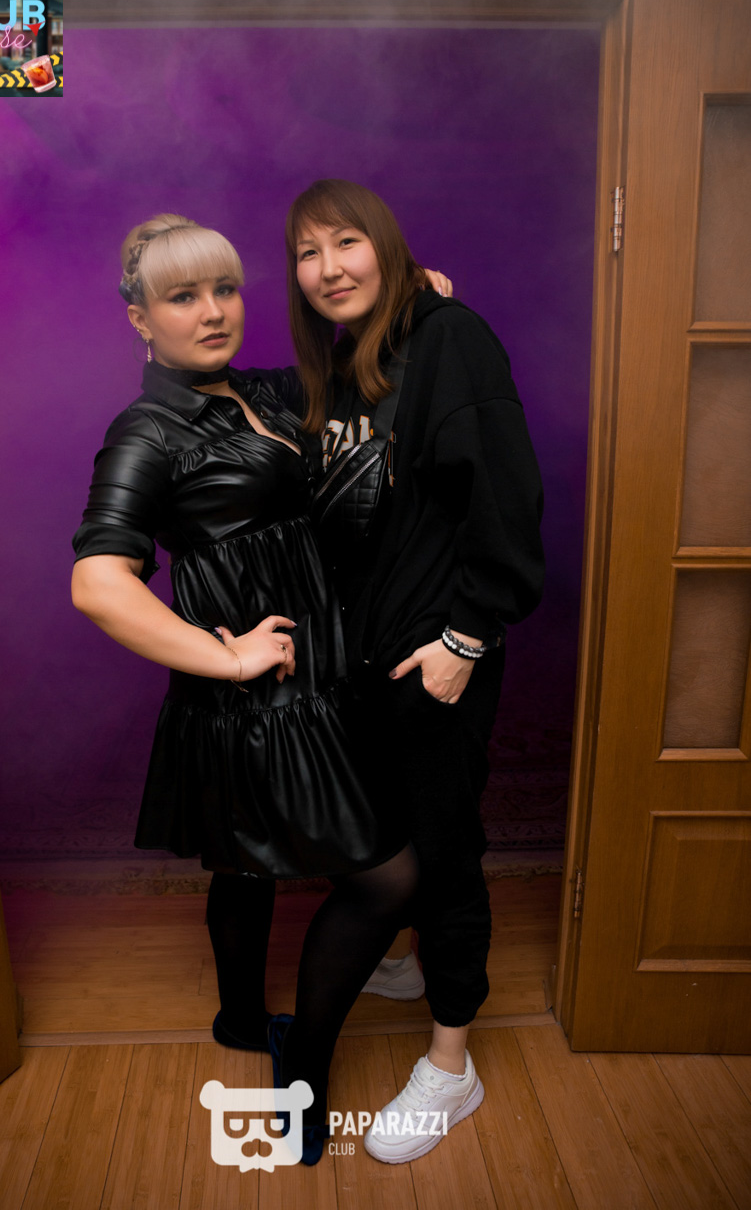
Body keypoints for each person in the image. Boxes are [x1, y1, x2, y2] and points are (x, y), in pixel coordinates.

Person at [70, 214, 419, 1166]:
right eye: (183, 297)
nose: (213, 311)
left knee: (243, 861)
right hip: (260, 697)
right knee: (386, 879)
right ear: (139, 318)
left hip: (316, 670)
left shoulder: (261, 387)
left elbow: (359, 369)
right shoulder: (145, 431)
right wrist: (224, 660)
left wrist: (415, 294)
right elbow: (98, 582)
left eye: (224, 288)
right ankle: (301, 1067)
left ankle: (235, 1018)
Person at [284, 179, 545, 1163]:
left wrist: (465, 641)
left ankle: (451, 1062)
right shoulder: (354, 362)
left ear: (385, 244)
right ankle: (401, 956)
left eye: (347, 242)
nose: (328, 268)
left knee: (443, 852)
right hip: (367, 660)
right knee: (383, 836)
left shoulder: (452, 339)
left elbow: (505, 498)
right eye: (308, 253)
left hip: (438, 659)